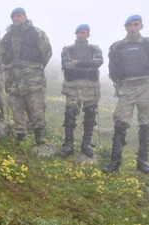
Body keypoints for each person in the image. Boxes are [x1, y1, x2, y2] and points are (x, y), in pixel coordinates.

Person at [102, 15, 149, 174]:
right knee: (120, 122)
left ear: (141, 26)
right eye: (130, 25)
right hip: (126, 87)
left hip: (146, 85)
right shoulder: (117, 47)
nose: (133, 28)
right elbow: (112, 70)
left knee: (146, 123)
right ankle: (114, 162)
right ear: (125, 27)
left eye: (136, 24)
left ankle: (143, 162)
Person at [0, 7, 52, 144]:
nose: (16, 19)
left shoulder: (37, 33)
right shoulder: (7, 36)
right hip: (14, 79)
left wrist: (35, 68)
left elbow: (46, 52)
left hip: (33, 78)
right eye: (14, 17)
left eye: (18, 16)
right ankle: (20, 134)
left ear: (25, 17)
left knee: (36, 107)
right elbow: (3, 55)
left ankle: (39, 135)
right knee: (16, 107)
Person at [59, 24, 103, 158]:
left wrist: (76, 62)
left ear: (88, 34)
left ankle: (86, 145)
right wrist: (87, 68)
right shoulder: (67, 49)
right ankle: (68, 145)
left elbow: (98, 62)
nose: (81, 35)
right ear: (75, 34)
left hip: (91, 86)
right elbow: (66, 65)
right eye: (78, 33)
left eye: (83, 32)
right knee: (70, 114)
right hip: (72, 86)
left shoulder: (95, 48)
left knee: (90, 115)